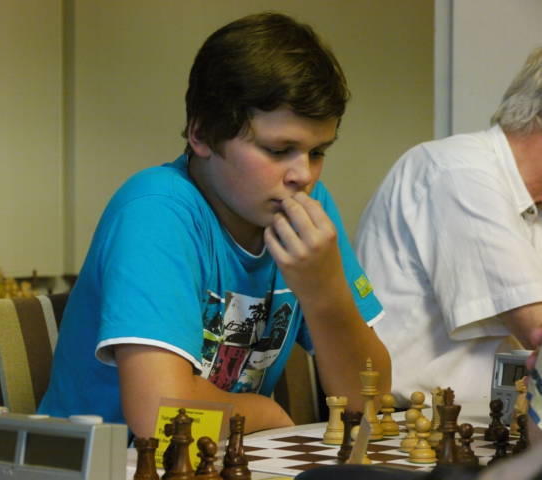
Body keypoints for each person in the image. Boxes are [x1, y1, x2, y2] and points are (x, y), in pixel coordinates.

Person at [39, 12, 390, 437]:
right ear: (202, 135)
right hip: (112, 462)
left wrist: (326, 292)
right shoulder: (156, 211)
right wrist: (268, 414)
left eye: (318, 152)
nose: (303, 175)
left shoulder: (307, 209)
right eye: (279, 150)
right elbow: (161, 418)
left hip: (215, 457)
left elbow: (369, 402)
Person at [354, 47, 542, 405]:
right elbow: (536, 329)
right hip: (406, 423)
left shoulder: (531, 201)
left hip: (483, 422)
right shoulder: (458, 170)